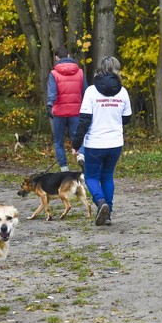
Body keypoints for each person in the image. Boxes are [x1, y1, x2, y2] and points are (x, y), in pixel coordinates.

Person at [71, 56, 132, 226]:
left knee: (91, 177)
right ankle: (108, 213)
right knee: (107, 176)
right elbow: (127, 118)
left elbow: (84, 121)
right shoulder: (123, 92)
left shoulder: (91, 91)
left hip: (95, 143)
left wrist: (76, 144)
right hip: (115, 143)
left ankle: (100, 202)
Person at [47, 46, 86, 171]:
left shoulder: (54, 74)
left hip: (59, 113)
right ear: (69, 55)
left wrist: (49, 105)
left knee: (59, 141)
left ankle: (64, 169)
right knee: (78, 138)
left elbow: (52, 93)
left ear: (56, 58)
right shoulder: (80, 72)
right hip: (76, 112)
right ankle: (80, 156)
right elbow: (85, 92)